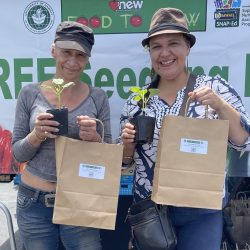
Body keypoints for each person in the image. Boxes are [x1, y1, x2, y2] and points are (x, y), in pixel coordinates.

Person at [120, 7, 250, 250]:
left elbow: (244, 141)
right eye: (156, 46)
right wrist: (126, 146)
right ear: (149, 52)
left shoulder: (214, 88)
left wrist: (220, 105)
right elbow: (125, 164)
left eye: (173, 44)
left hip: (201, 209)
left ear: (188, 47)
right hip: (151, 213)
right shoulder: (138, 101)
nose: (165, 53)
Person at [12, 21, 112, 250]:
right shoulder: (29, 93)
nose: (73, 62)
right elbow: (18, 154)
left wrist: (94, 138)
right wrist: (36, 135)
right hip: (33, 202)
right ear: (53, 50)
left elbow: (108, 154)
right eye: (66, 52)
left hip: (80, 200)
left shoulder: (97, 97)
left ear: (87, 59)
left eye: (81, 55)